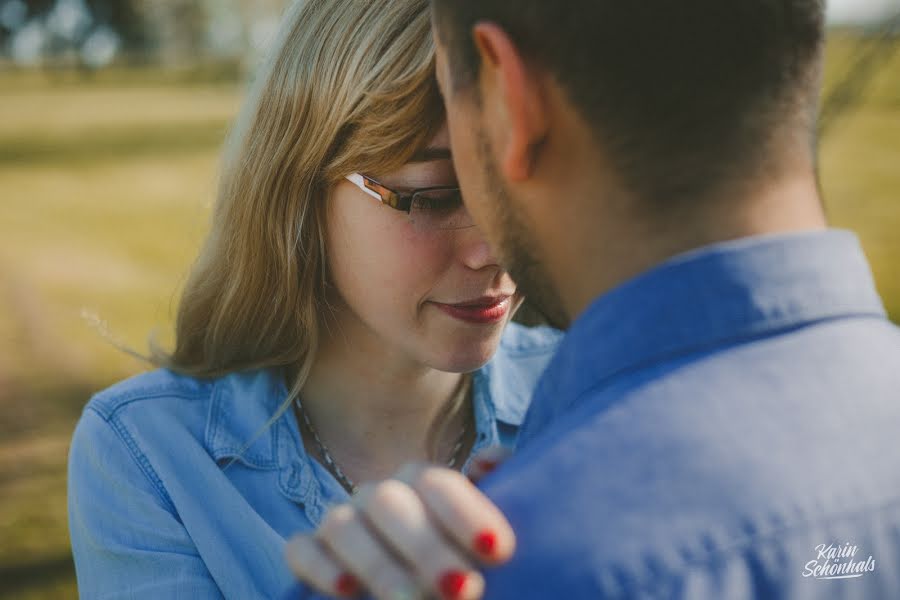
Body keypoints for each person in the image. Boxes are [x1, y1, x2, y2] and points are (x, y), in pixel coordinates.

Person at [286, 1, 900, 598]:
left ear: (507, 94)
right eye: (432, 193)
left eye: (450, 82)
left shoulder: (453, 574)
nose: (480, 252)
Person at [65, 0, 561, 597]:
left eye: (523, 182)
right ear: (302, 183)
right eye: (435, 195)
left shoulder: (590, 398)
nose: (494, 249)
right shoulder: (152, 455)